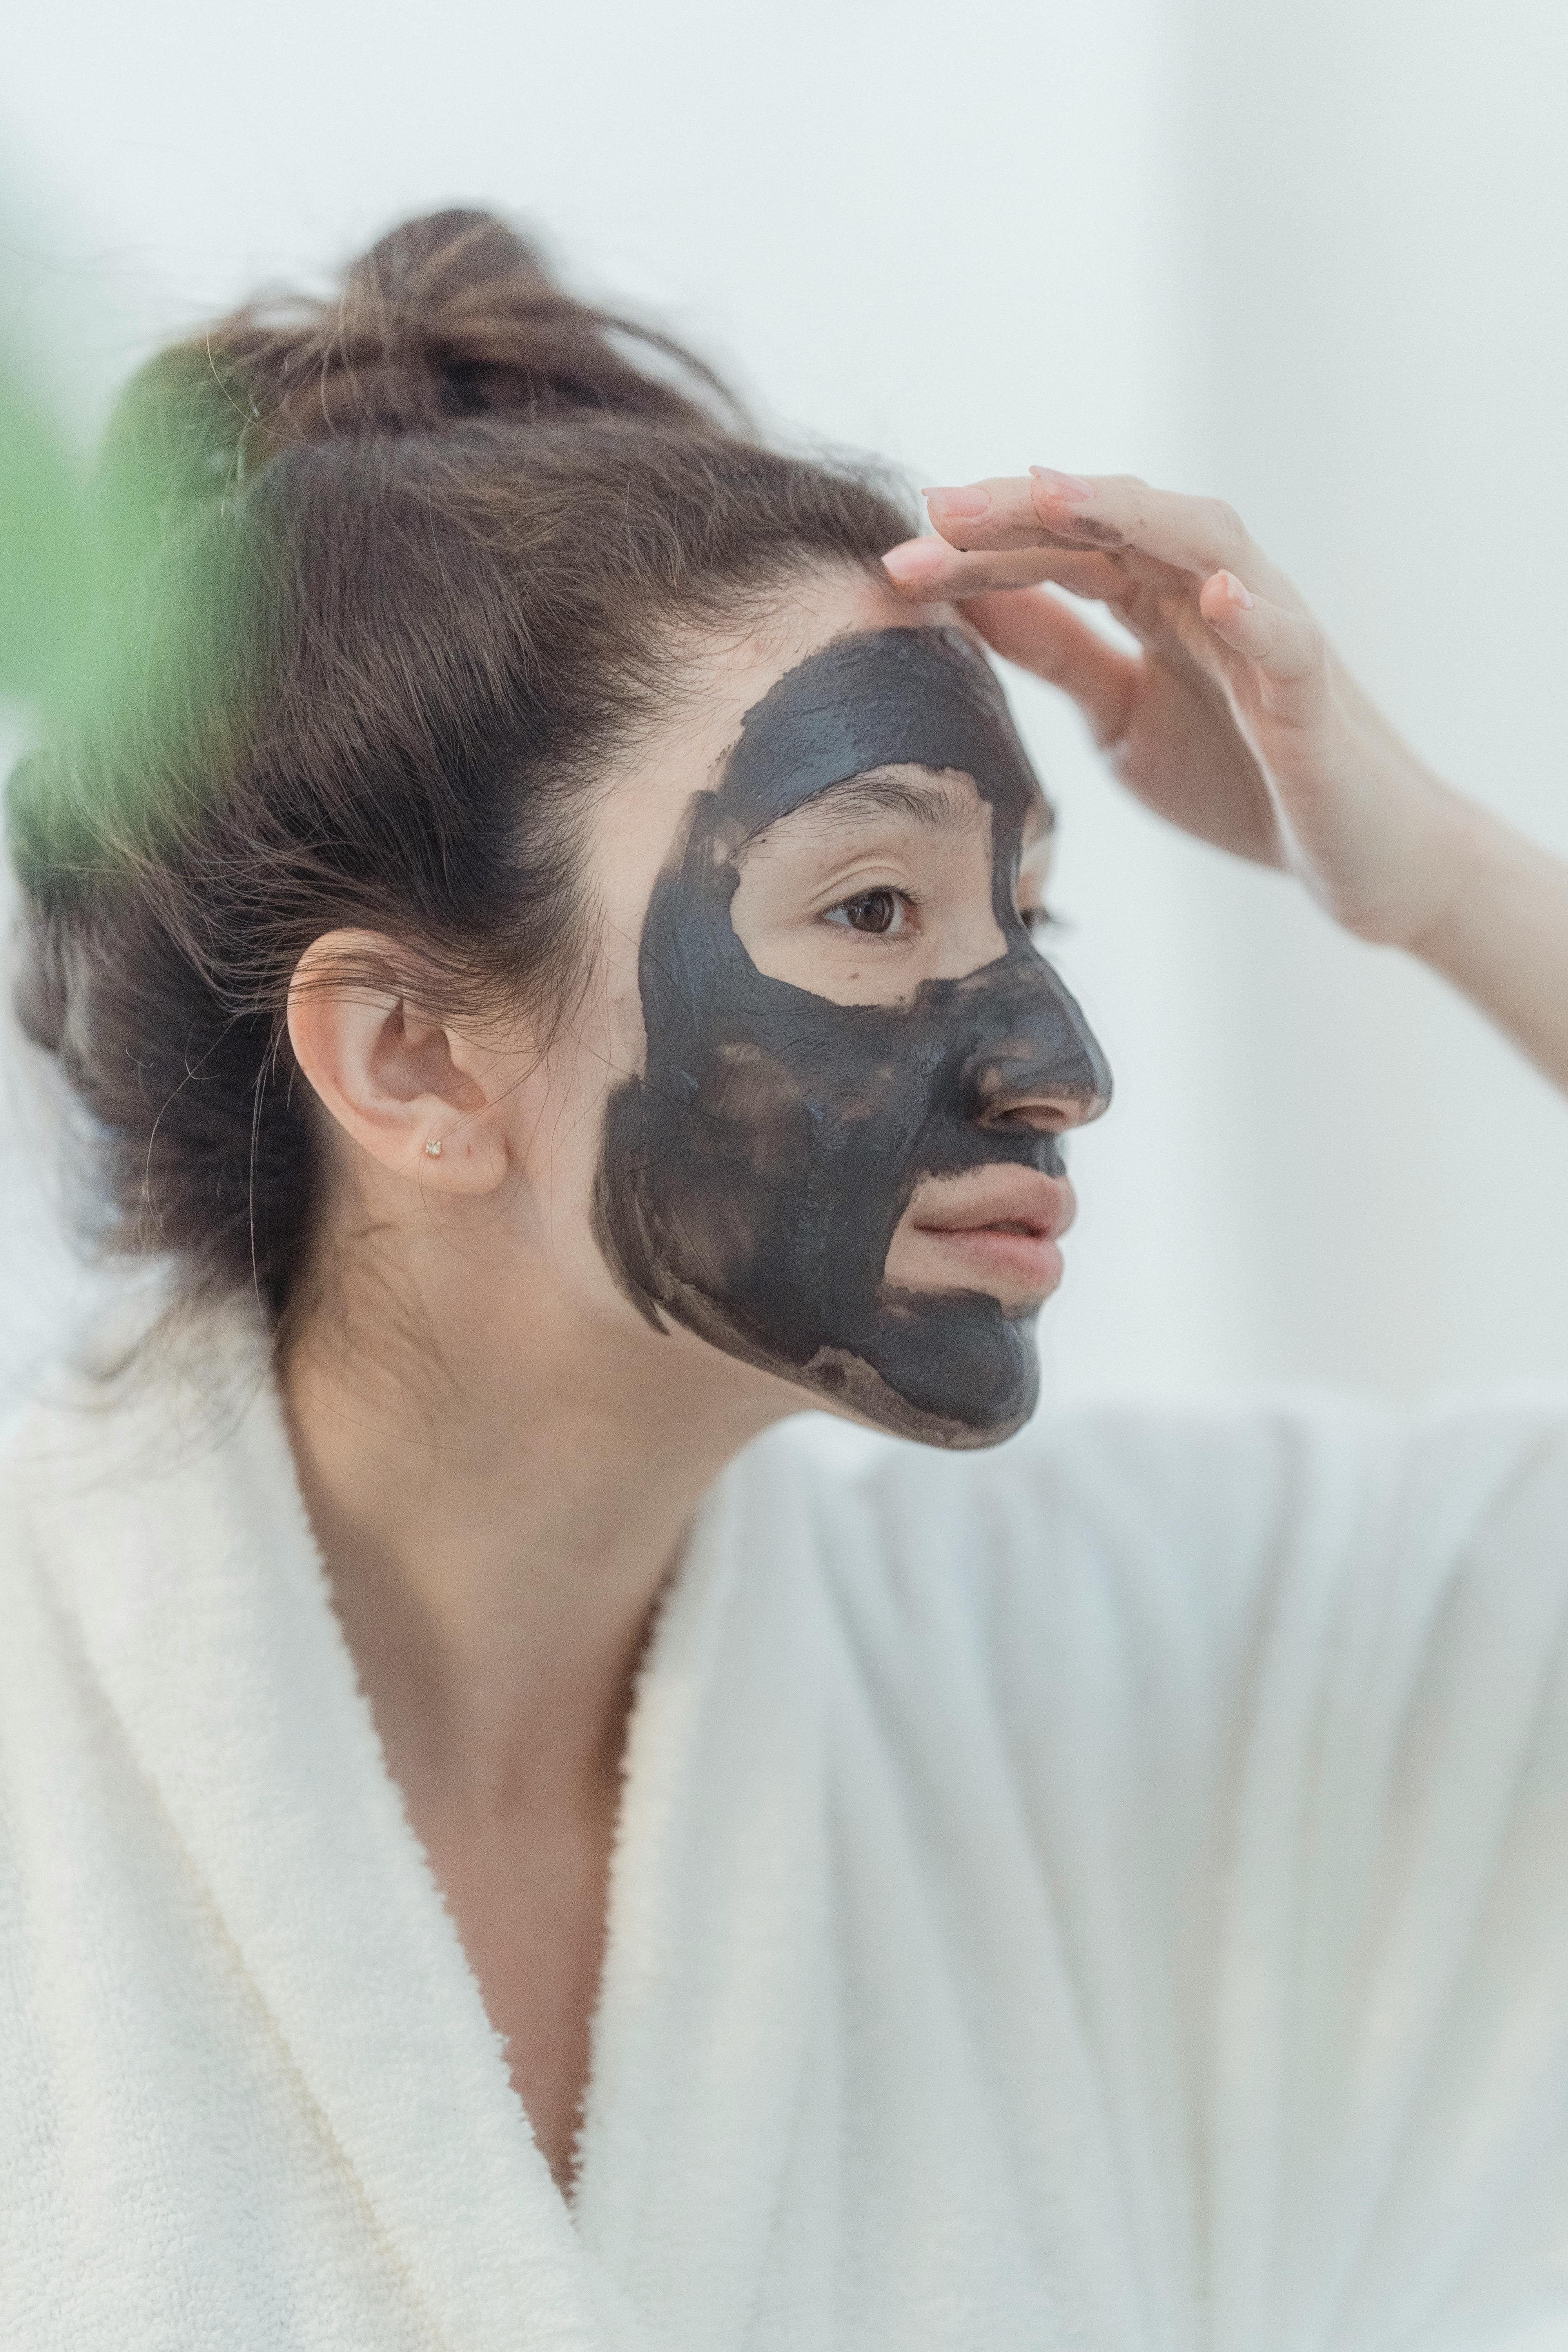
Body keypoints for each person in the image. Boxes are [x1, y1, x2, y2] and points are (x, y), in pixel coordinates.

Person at [4, 207, 1568, 2352]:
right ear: (411, 1059)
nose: (1060, 1072)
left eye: (1029, 920)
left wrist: (1447, 880)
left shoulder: (1122, 1686)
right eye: (871, 913)